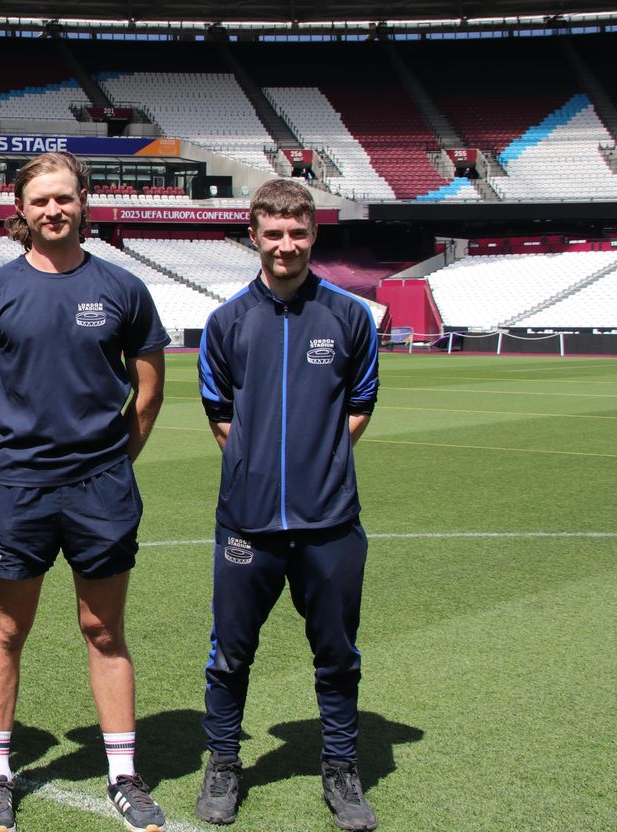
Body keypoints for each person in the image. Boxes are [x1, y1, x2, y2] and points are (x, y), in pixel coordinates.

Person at [0, 151, 169, 832]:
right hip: (21, 490)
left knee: (104, 630)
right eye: (40, 200)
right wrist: (12, 457)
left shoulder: (123, 288)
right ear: (21, 210)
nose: (53, 210)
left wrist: (112, 463)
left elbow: (148, 390)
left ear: (84, 202)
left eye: (64, 198)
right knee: (6, 630)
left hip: (102, 489)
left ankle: (123, 774)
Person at [194, 179, 380, 831]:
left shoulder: (350, 317)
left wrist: (314, 466)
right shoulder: (226, 322)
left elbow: (361, 404)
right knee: (229, 655)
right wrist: (257, 469)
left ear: (313, 234)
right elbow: (220, 414)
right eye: (273, 234)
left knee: (337, 654)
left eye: (297, 233)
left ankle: (341, 767)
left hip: (331, 523)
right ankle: (224, 762)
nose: (285, 245)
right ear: (254, 235)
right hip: (247, 524)